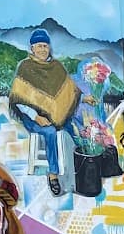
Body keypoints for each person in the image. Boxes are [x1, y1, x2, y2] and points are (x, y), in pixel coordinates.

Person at [9, 29, 88, 196]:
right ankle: (53, 175)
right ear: (32, 48)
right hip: (32, 117)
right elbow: (19, 100)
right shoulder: (25, 67)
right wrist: (36, 116)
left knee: (74, 128)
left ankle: (84, 163)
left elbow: (70, 92)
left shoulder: (57, 67)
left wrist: (83, 98)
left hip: (56, 114)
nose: (43, 49)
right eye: (39, 46)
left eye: (45, 46)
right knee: (50, 132)